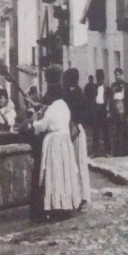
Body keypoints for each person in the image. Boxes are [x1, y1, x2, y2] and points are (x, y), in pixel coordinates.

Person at [30, 76, 82, 218]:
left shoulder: (52, 108)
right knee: (65, 171)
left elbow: (43, 125)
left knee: (55, 172)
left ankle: (55, 206)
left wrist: (34, 122)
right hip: (65, 141)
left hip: (54, 142)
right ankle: (67, 203)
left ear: (51, 95)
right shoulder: (63, 105)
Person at [61, 67, 91, 206]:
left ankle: (83, 196)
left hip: (76, 130)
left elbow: (82, 115)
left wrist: (75, 123)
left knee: (78, 163)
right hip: (74, 129)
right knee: (77, 163)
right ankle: (79, 195)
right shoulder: (75, 93)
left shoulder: (74, 94)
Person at [109, 68, 128, 156]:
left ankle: (125, 151)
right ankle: (116, 152)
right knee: (115, 132)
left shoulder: (126, 86)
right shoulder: (112, 86)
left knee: (124, 131)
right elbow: (110, 100)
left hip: (123, 111)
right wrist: (109, 111)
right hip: (115, 112)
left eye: (119, 74)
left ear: (121, 75)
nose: (117, 76)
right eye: (116, 75)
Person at [87, 69, 111, 157]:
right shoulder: (93, 88)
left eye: (100, 78)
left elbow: (109, 101)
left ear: (103, 78)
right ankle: (94, 152)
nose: (99, 80)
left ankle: (107, 152)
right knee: (95, 132)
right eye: (97, 78)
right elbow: (91, 99)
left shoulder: (107, 88)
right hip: (96, 110)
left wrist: (108, 111)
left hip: (104, 110)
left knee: (106, 132)